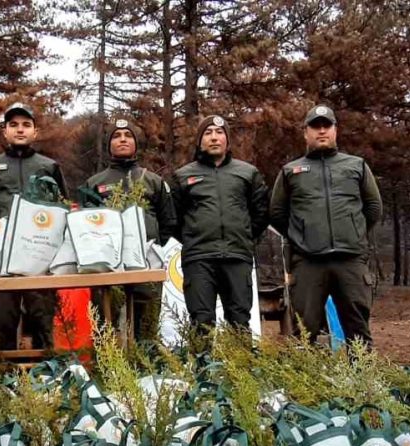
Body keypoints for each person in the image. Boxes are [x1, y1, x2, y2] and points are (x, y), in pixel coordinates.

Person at [269, 104, 382, 346]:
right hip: (308, 263)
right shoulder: (291, 171)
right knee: (303, 332)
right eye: (315, 127)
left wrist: (353, 233)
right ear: (305, 133)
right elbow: (277, 213)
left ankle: (361, 382)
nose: (322, 131)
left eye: (326, 126)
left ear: (335, 131)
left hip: (350, 262)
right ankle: (304, 383)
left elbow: (373, 209)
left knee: (358, 331)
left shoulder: (356, 166)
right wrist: (302, 236)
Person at [0, 103, 67, 350]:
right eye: (13, 125)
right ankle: (4, 376)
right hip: (1, 256)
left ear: (35, 132)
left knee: (41, 319)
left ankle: (46, 375)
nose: (20, 130)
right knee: (4, 319)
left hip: (39, 255)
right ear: (5, 132)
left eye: (26, 125)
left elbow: (62, 208)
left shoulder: (49, 166)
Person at [81, 117, 177, 340]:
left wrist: (152, 246)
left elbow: (169, 221)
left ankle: (146, 368)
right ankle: (106, 369)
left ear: (136, 144)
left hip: (146, 263)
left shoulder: (153, 181)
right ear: (109, 145)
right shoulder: (94, 183)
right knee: (105, 324)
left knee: (146, 326)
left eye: (128, 136)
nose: (122, 139)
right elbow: (84, 224)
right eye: (116, 136)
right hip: (106, 265)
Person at [171, 115, 269, 333]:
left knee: (239, 322)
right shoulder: (183, 176)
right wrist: (194, 237)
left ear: (227, 139)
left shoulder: (248, 173)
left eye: (219, 132)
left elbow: (261, 213)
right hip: (199, 260)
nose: (214, 138)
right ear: (199, 141)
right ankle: (203, 367)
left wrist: (243, 235)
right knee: (201, 322)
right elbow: (174, 219)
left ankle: (240, 368)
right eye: (208, 133)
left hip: (237, 257)